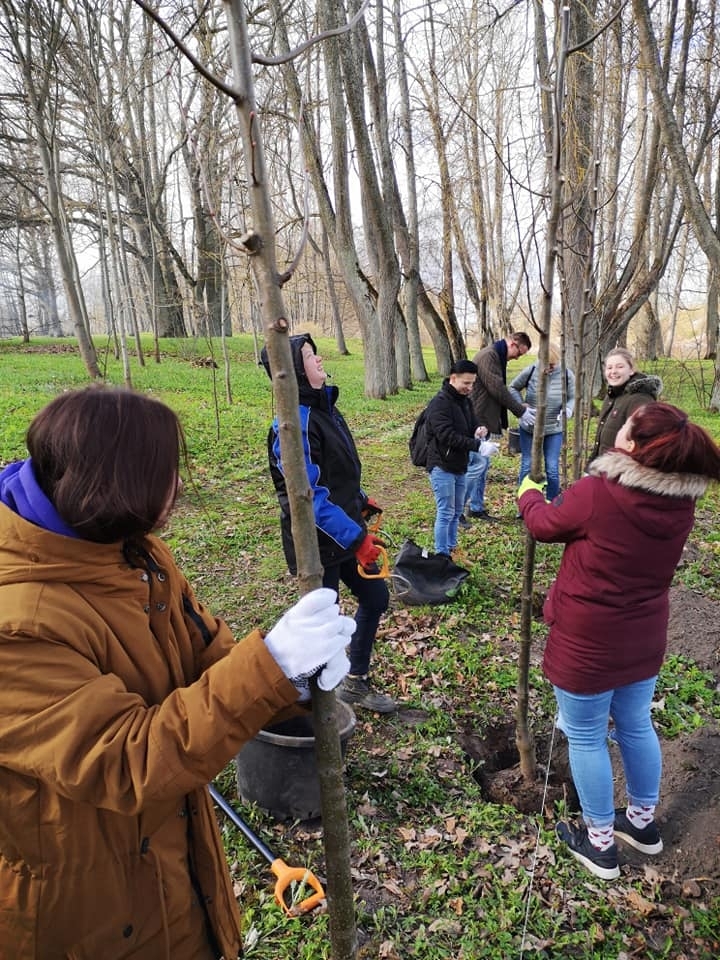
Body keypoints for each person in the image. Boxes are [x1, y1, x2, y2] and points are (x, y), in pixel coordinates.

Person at [0, 386, 354, 959]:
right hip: (84, 909)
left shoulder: (134, 553)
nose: (180, 487)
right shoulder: (18, 624)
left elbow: (201, 652)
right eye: (166, 472)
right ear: (113, 482)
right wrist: (271, 665)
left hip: (170, 865)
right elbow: (128, 761)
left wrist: (290, 682)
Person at [518, 402, 720, 881]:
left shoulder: (598, 492)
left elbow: (544, 525)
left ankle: (601, 844)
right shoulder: (681, 501)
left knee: (586, 737)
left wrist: (528, 495)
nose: (620, 424)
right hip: (643, 638)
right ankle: (642, 826)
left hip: (587, 639)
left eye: (628, 424)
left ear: (635, 443)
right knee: (634, 724)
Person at [263, 334, 397, 714]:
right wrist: (357, 539)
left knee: (375, 598)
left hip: (344, 533)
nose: (319, 359)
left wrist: (360, 499)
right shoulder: (293, 425)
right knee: (324, 625)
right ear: (289, 373)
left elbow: (335, 476)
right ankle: (313, 705)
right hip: (318, 544)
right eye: (308, 356)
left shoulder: (324, 409)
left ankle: (355, 682)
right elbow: (308, 497)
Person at [424, 359, 499, 557]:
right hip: (441, 465)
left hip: (459, 465)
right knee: (446, 512)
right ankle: (442, 555)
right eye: (466, 383)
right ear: (453, 378)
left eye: (472, 383)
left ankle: (452, 547)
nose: (470, 387)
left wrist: (479, 431)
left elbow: (471, 425)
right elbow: (446, 435)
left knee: (457, 511)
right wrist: (478, 446)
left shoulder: (465, 401)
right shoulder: (439, 404)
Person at [465, 331, 533, 521]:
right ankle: (458, 509)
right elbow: (497, 388)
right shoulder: (489, 356)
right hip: (477, 420)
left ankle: (476, 507)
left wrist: (520, 407)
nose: (518, 357)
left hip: (484, 419)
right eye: (519, 353)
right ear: (513, 343)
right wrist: (520, 410)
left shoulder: (497, 356)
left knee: (482, 466)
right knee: (474, 466)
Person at [509, 342, 576, 502]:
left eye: (552, 365)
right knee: (527, 464)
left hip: (554, 429)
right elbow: (513, 388)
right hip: (530, 427)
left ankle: (552, 502)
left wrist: (568, 409)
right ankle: (524, 502)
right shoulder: (531, 370)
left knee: (552, 467)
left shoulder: (567, 375)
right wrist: (521, 407)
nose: (549, 368)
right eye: (545, 364)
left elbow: (573, 397)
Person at [588, 346, 662, 463]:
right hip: (604, 468)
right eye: (609, 368)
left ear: (631, 370)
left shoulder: (640, 399)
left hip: (621, 472)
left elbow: (644, 443)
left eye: (620, 367)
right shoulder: (611, 396)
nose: (613, 372)